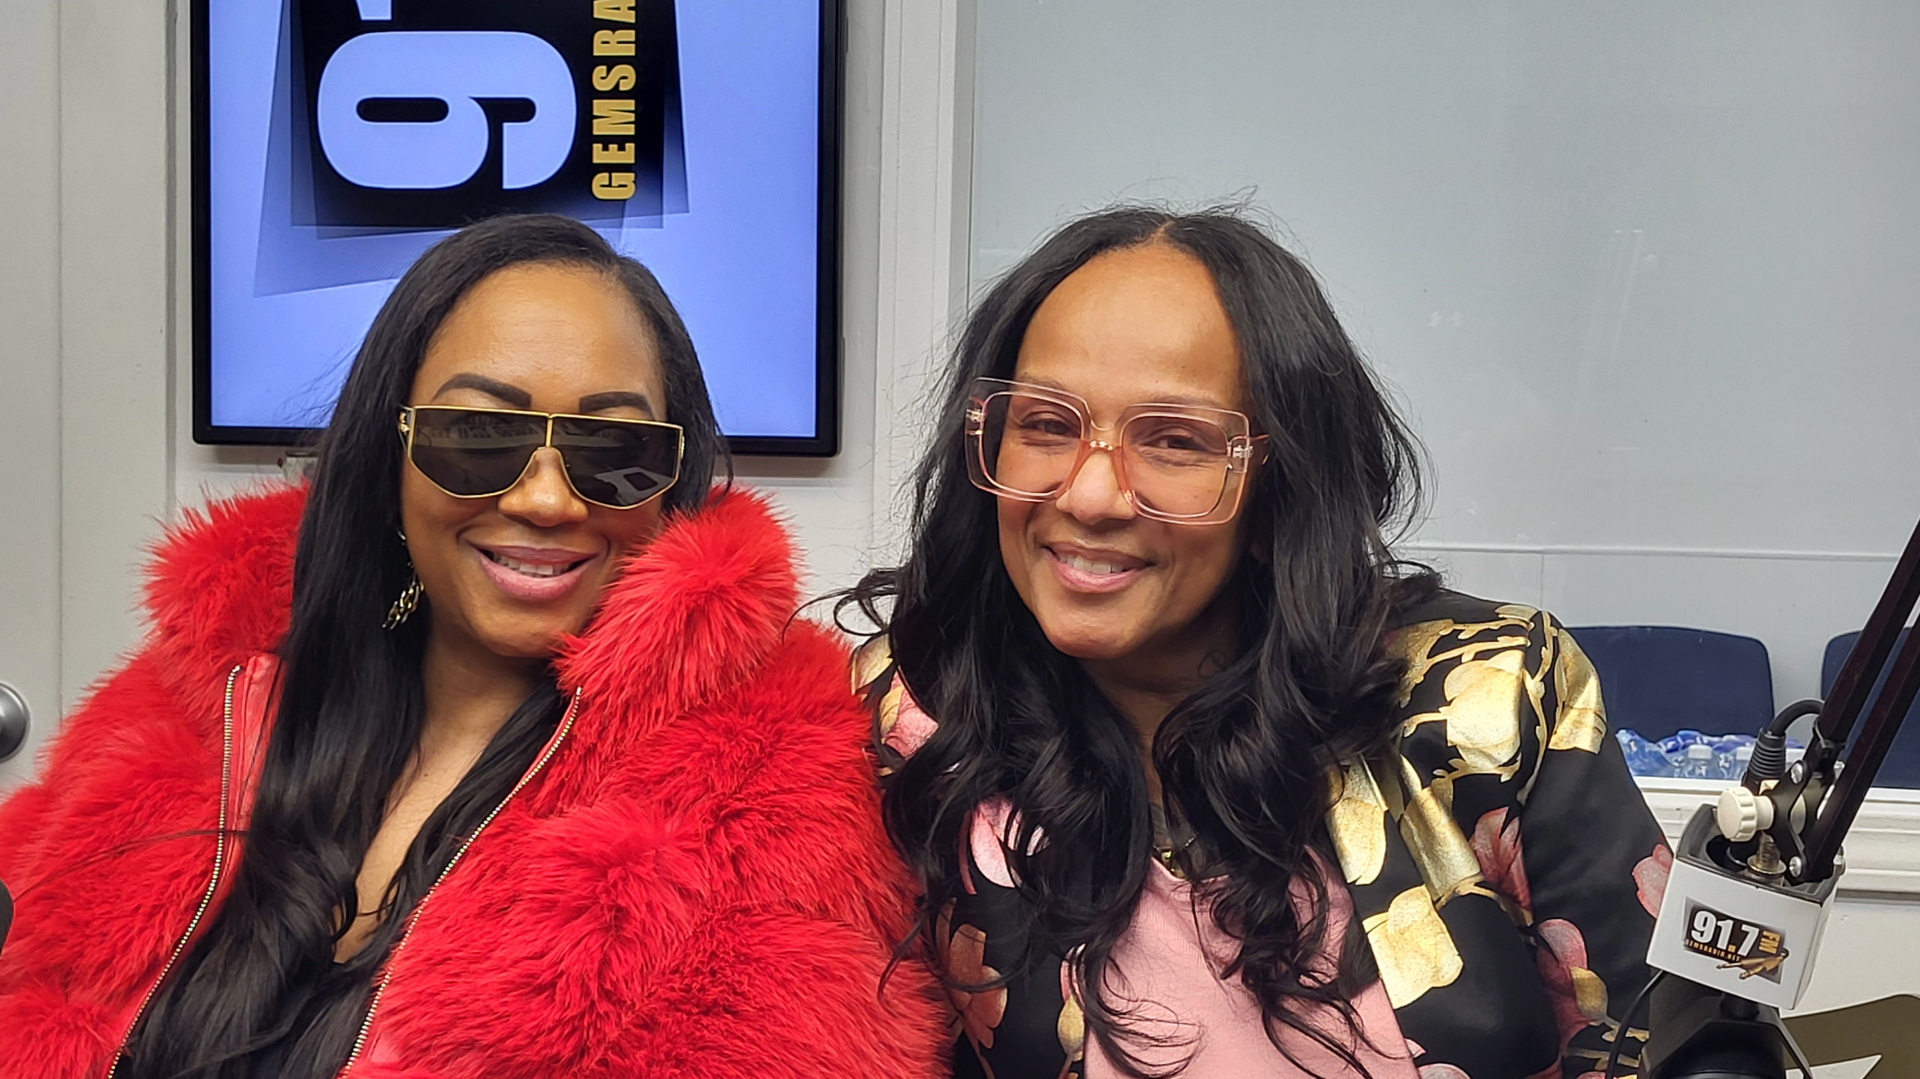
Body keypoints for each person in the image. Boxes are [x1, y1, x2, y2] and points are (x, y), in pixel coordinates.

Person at [0, 214, 944, 1079]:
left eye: (611, 450)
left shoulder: (774, 784)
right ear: (390, 451)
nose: (544, 497)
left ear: (671, 479)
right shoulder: (205, 696)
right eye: (477, 436)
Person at [847, 206, 1673, 1079]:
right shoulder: (913, 717)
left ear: (1284, 491)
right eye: (1046, 424)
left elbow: (1669, 1046)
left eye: (1174, 440)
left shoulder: (1492, 692)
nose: (1090, 496)